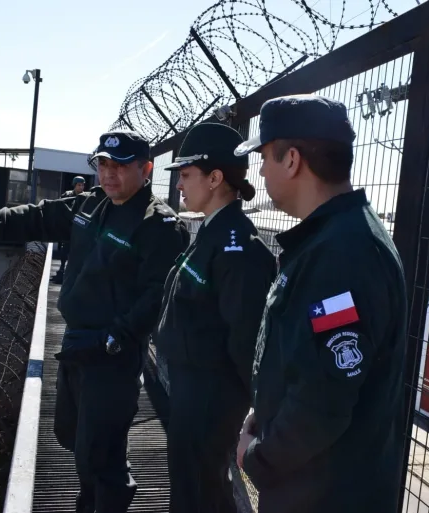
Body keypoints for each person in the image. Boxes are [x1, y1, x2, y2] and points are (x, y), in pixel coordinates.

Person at [0, 130, 190, 513]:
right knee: (73, 437)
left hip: (111, 354)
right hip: (78, 343)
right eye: (104, 165)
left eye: (121, 166)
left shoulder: (157, 226)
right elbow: (38, 217)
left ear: (145, 169)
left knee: (101, 453)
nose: (109, 174)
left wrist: (114, 338)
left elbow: (157, 296)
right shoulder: (92, 205)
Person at [233, 95, 408, 513]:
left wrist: (256, 458)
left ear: (292, 160)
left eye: (264, 158)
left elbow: (323, 402)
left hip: (322, 496)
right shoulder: (334, 241)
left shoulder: (342, 254)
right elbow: (308, 363)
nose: (260, 170)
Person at [154, 122, 277, 513]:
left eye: (186, 175)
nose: (179, 185)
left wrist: (250, 410)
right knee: (190, 490)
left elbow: (245, 343)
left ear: (215, 177)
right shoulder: (211, 233)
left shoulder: (238, 249)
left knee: (201, 495)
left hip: (210, 401)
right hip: (191, 391)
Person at [53, 175, 86, 284]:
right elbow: (60, 208)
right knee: (64, 250)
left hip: (78, 227)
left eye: (82, 185)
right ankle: (62, 269)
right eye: (79, 185)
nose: (81, 187)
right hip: (67, 226)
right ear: (75, 185)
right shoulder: (67, 195)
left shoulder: (85, 197)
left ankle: (71, 272)